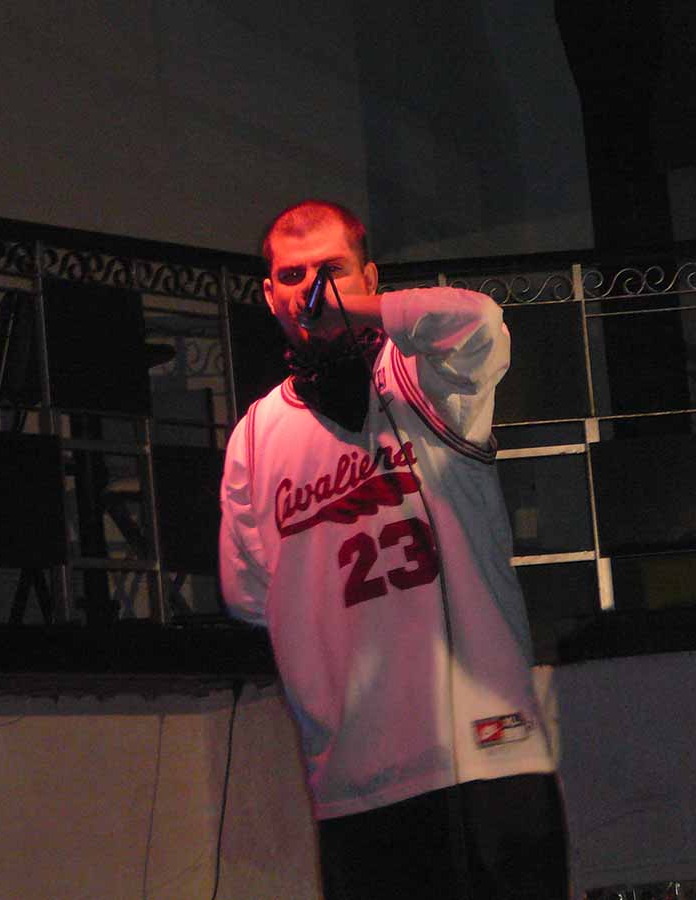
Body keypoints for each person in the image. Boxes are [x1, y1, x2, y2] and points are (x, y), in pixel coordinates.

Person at [219, 199, 569, 899]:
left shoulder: (421, 380)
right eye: (293, 276)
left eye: (332, 270)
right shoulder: (254, 439)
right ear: (269, 295)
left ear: (370, 278)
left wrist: (359, 314)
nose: (313, 292)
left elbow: (480, 323)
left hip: (485, 762)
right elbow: (248, 598)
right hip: (355, 785)